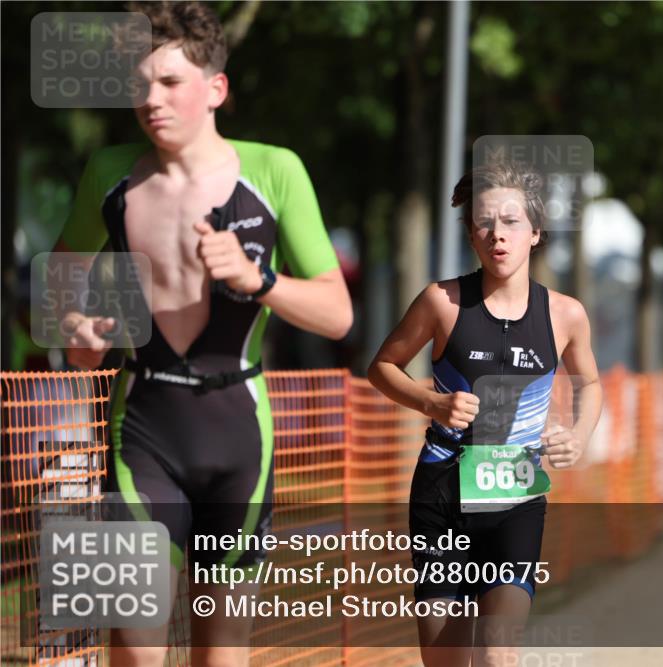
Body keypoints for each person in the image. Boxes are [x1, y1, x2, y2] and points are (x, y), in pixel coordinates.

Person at [52, 3, 352, 665]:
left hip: (238, 435)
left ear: (215, 88)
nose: (149, 100)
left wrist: (260, 281)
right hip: (143, 428)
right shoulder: (110, 173)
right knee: (133, 644)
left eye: (168, 82)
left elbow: (338, 314)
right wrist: (76, 330)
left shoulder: (275, 171)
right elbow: (61, 279)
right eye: (139, 85)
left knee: (221, 650)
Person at [367, 161, 603, 667]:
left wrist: (579, 434)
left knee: (499, 653)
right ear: (471, 233)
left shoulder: (565, 314)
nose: (498, 235)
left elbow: (591, 382)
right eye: (484, 222)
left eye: (512, 221)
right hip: (442, 492)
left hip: (516, 494)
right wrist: (430, 402)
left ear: (536, 232)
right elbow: (382, 367)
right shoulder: (441, 303)